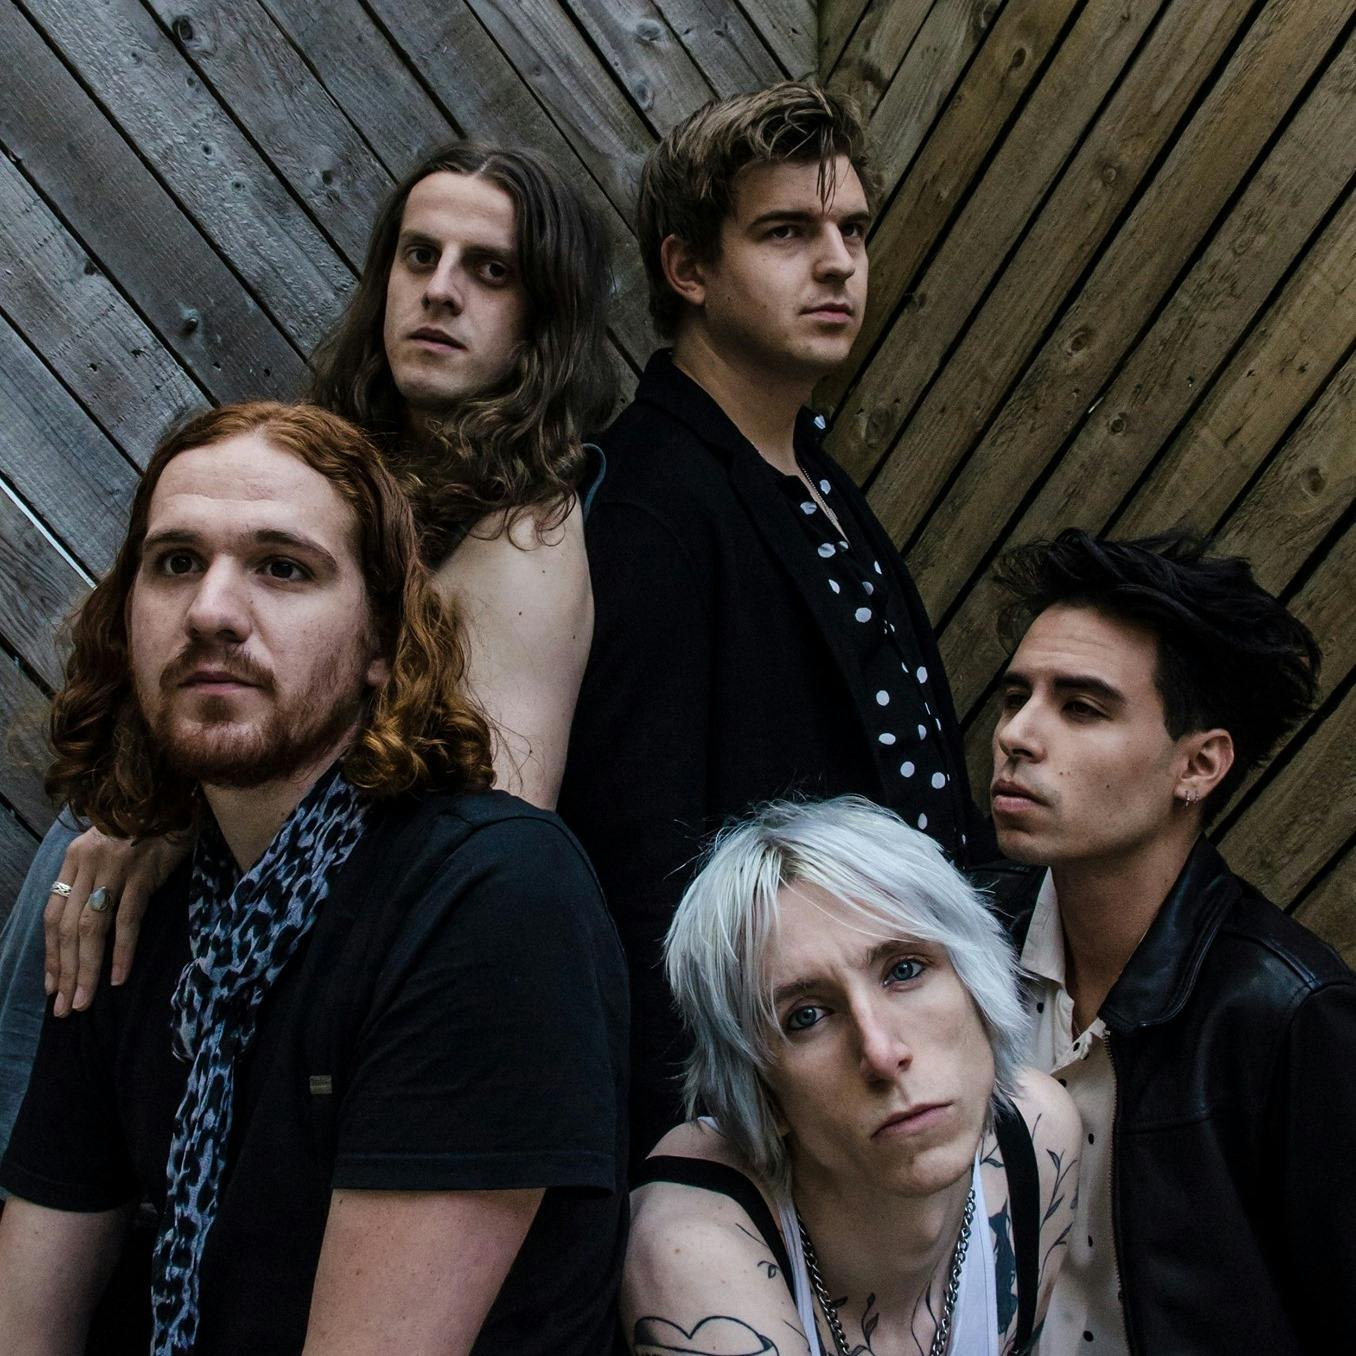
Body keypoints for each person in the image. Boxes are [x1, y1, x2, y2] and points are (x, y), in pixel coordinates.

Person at [0, 142, 615, 1164]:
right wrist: (144, 807)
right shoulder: (327, 462)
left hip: (317, 951)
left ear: (542, 318)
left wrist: (173, 824)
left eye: (490, 270)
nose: (441, 290)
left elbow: (493, 831)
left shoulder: (526, 534)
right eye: (419, 256)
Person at [0, 403, 628, 1354]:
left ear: (383, 642)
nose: (211, 610)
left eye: (283, 568)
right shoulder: (147, 899)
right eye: (176, 562)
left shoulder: (489, 898)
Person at [559, 81, 987, 1162]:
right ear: (687, 268)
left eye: (853, 230)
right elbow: (641, 857)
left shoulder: (810, 473)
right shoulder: (648, 504)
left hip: (890, 1060)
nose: (839, 264)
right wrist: (699, 1147)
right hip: (768, 1102)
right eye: (788, 232)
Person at [985, 529, 1355, 1354]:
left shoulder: (1286, 1013)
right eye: (1015, 696)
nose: (1017, 734)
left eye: (1081, 708)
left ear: (1199, 766)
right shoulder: (961, 939)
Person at [623, 797, 1078, 1356]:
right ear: (762, 1089)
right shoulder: (694, 1239)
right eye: (807, 1016)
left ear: (977, 985)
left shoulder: (1039, 1138)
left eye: (905, 970)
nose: (882, 1053)